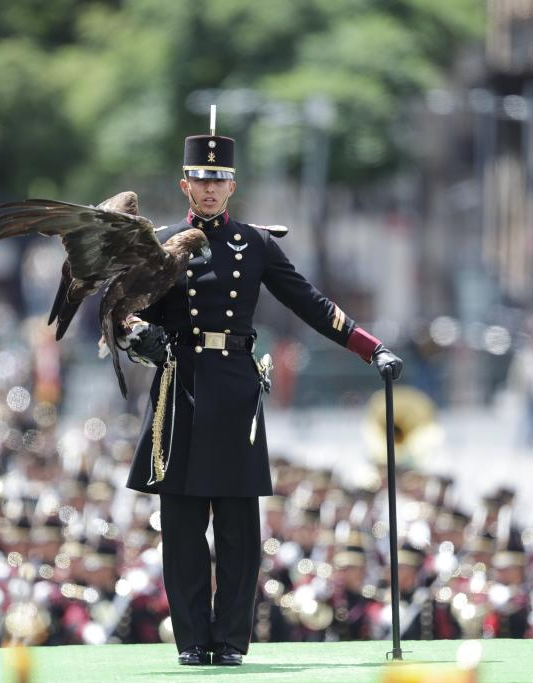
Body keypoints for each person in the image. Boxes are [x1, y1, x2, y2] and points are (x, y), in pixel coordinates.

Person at [120, 112, 403, 666]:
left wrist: (372, 348)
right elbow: (125, 311)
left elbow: (311, 302)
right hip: (179, 387)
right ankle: (192, 641)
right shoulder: (161, 244)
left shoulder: (255, 244)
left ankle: (229, 641)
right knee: (182, 524)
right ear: (184, 185)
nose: (209, 188)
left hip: (235, 391)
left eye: (219, 179)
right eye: (200, 179)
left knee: (238, 527)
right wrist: (136, 336)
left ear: (232, 186)